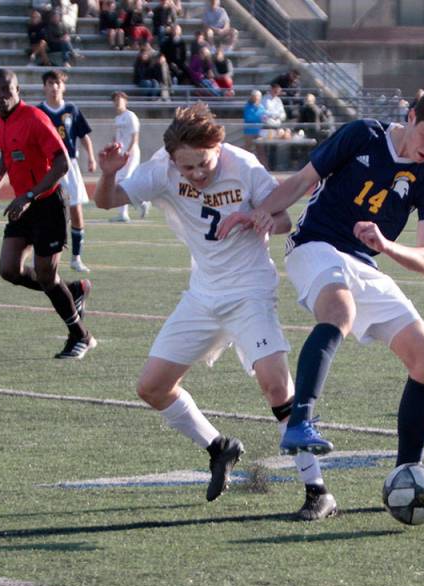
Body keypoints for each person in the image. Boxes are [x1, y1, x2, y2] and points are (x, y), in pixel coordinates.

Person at [221, 84, 424, 517]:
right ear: (411, 117)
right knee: (340, 310)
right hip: (313, 245)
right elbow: (302, 181)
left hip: (365, 263)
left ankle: (410, 474)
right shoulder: (362, 136)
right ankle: (300, 421)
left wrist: (387, 246)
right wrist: (263, 211)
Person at [94, 103, 322, 515]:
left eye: (203, 164)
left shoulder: (245, 166)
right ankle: (219, 447)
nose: (196, 174)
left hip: (250, 290)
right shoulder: (163, 168)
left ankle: (318, 490)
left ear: (218, 145)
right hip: (202, 294)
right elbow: (106, 202)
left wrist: (262, 218)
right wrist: (109, 172)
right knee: (151, 388)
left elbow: (285, 218)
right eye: (187, 169)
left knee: (276, 386)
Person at [0, 69, 95, 360]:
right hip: (23, 206)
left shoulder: (35, 118)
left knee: (47, 275)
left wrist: (30, 195)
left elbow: (61, 164)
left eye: (6, 89)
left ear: (18, 89)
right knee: (9, 269)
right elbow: (6, 156)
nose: (1, 96)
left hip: (46, 204)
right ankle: (72, 291)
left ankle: (80, 336)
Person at [38, 70, 96, 273]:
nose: (54, 87)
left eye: (57, 83)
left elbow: (83, 136)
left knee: (76, 210)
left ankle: (76, 257)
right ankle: (42, 257)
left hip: (70, 165)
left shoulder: (72, 109)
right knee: (45, 211)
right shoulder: (38, 112)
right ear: (44, 87)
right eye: (50, 83)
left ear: (63, 87)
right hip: (48, 165)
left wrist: (91, 157)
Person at [108, 91, 149, 222]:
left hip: (131, 154)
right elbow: (117, 137)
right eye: (115, 100)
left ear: (125, 101)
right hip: (121, 154)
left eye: (119, 99)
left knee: (124, 181)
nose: (117, 102)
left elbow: (134, 137)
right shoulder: (117, 118)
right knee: (120, 182)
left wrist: (128, 152)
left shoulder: (130, 116)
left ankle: (131, 209)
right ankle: (137, 205)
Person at [242, 88, 264, 161]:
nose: (257, 98)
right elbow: (248, 117)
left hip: (259, 131)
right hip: (249, 131)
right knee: (248, 150)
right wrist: (260, 117)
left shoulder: (261, 106)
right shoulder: (248, 106)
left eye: (258, 97)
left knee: (260, 150)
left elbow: (264, 115)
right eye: (255, 97)